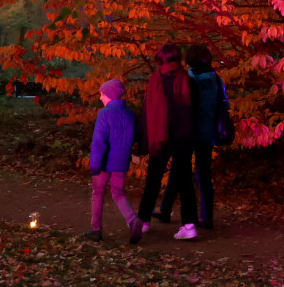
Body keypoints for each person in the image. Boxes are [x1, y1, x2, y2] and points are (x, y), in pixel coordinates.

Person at [135, 42, 200, 240]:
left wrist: (143, 142)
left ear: (161, 59)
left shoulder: (155, 81)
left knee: (153, 180)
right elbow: (196, 112)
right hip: (184, 137)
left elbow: (147, 113)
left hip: (160, 138)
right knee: (185, 182)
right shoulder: (188, 82)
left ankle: (143, 221)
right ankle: (189, 225)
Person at [155, 44, 221, 229]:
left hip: (188, 131)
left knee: (178, 168)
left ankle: (165, 209)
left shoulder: (188, 80)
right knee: (203, 174)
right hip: (208, 132)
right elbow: (220, 105)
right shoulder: (216, 79)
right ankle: (207, 216)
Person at [81, 79, 141, 244]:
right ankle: (133, 220)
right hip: (121, 162)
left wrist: (95, 165)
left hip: (104, 163)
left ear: (109, 95)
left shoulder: (105, 114)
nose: (100, 98)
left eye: (102, 94)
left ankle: (96, 229)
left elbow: (99, 142)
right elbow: (135, 137)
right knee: (118, 193)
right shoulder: (130, 114)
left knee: (98, 193)